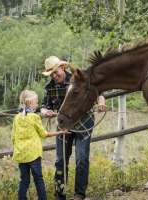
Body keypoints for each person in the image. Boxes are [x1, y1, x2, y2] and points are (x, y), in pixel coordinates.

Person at [41, 56, 106, 200]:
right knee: (60, 160)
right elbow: (44, 106)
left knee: (82, 159)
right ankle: (60, 193)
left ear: (62, 68)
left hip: (83, 124)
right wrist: (46, 112)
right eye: (51, 74)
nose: (54, 76)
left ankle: (79, 194)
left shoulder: (79, 79)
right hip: (63, 127)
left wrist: (101, 102)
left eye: (56, 72)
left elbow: (98, 92)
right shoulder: (49, 87)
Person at [12, 90, 69, 200]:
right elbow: (44, 134)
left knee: (24, 180)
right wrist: (60, 132)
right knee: (38, 179)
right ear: (29, 103)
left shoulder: (17, 118)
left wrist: (19, 148)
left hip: (20, 155)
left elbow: (13, 137)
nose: (37, 104)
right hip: (33, 155)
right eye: (36, 102)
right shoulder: (34, 117)